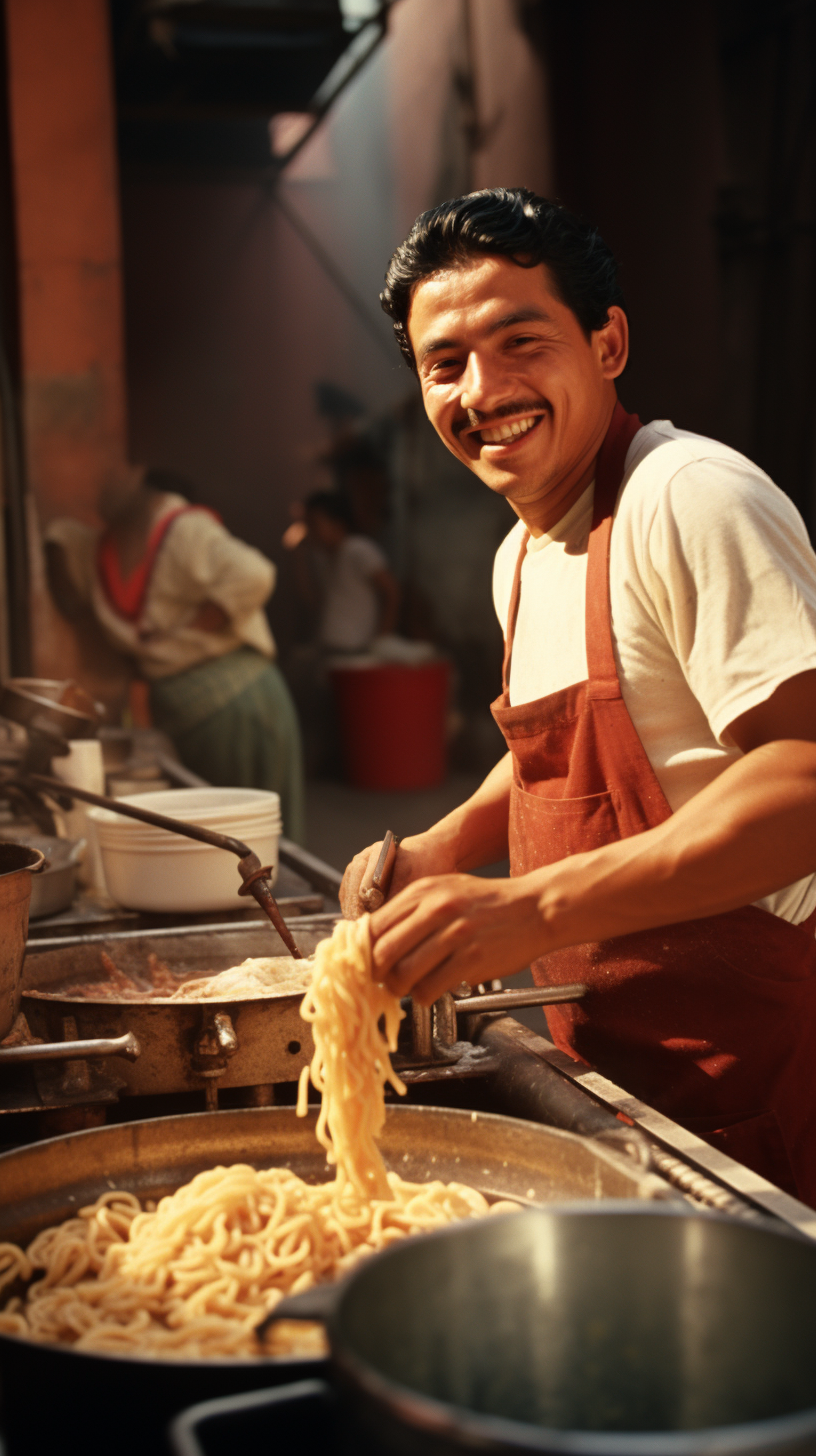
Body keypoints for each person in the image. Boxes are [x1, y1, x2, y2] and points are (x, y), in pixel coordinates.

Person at [341, 187, 816, 1205]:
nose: (485, 388)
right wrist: (444, 847)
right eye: (445, 364)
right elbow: (557, 743)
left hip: (767, 1085)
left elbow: (804, 777)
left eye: (522, 341)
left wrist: (530, 905)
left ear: (607, 344)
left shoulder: (688, 499)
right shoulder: (521, 552)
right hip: (631, 1091)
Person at [46, 464, 305, 842]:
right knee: (223, 837)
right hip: (189, 714)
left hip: (240, 703)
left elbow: (254, 574)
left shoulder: (183, 530)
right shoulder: (99, 553)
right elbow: (65, 547)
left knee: (259, 834)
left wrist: (201, 624)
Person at [303, 490, 399, 653]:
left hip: (357, 649)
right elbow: (313, 601)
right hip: (330, 649)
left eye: (314, 524)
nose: (309, 531)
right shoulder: (323, 558)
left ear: (337, 524)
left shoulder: (358, 549)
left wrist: (382, 639)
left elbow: (392, 591)